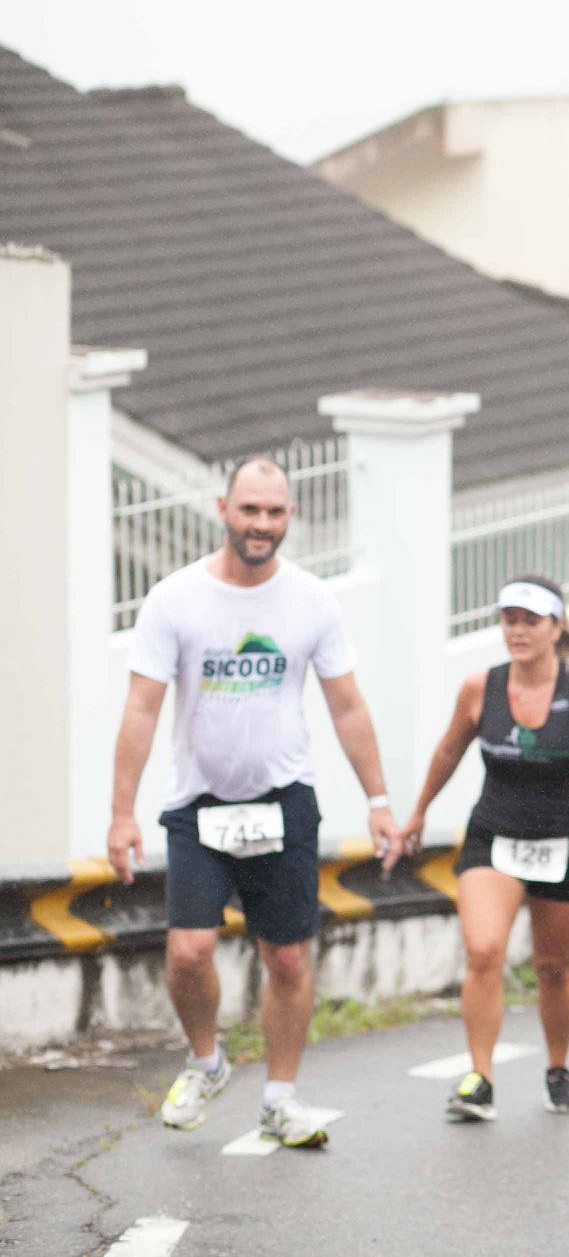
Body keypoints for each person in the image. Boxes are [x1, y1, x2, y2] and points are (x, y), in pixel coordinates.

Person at [106, 457, 404, 1148]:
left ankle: (279, 1096)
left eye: (274, 512)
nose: (261, 525)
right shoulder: (174, 598)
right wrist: (122, 812)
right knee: (188, 950)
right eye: (249, 511)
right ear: (223, 509)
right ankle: (207, 1060)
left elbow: (348, 705)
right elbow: (141, 709)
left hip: (284, 800)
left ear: (288, 517)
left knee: (288, 959)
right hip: (199, 804)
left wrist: (380, 799)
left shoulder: (312, 601)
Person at [403, 577, 569, 1121]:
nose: (518, 630)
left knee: (553, 968)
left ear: (557, 626)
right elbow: (449, 751)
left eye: (531, 620)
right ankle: (481, 1077)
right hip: (493, 836)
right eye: (509, 619)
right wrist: (418, 811)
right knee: (483, 951)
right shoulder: (481, 687)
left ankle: (557, 1067)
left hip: (563, 841)